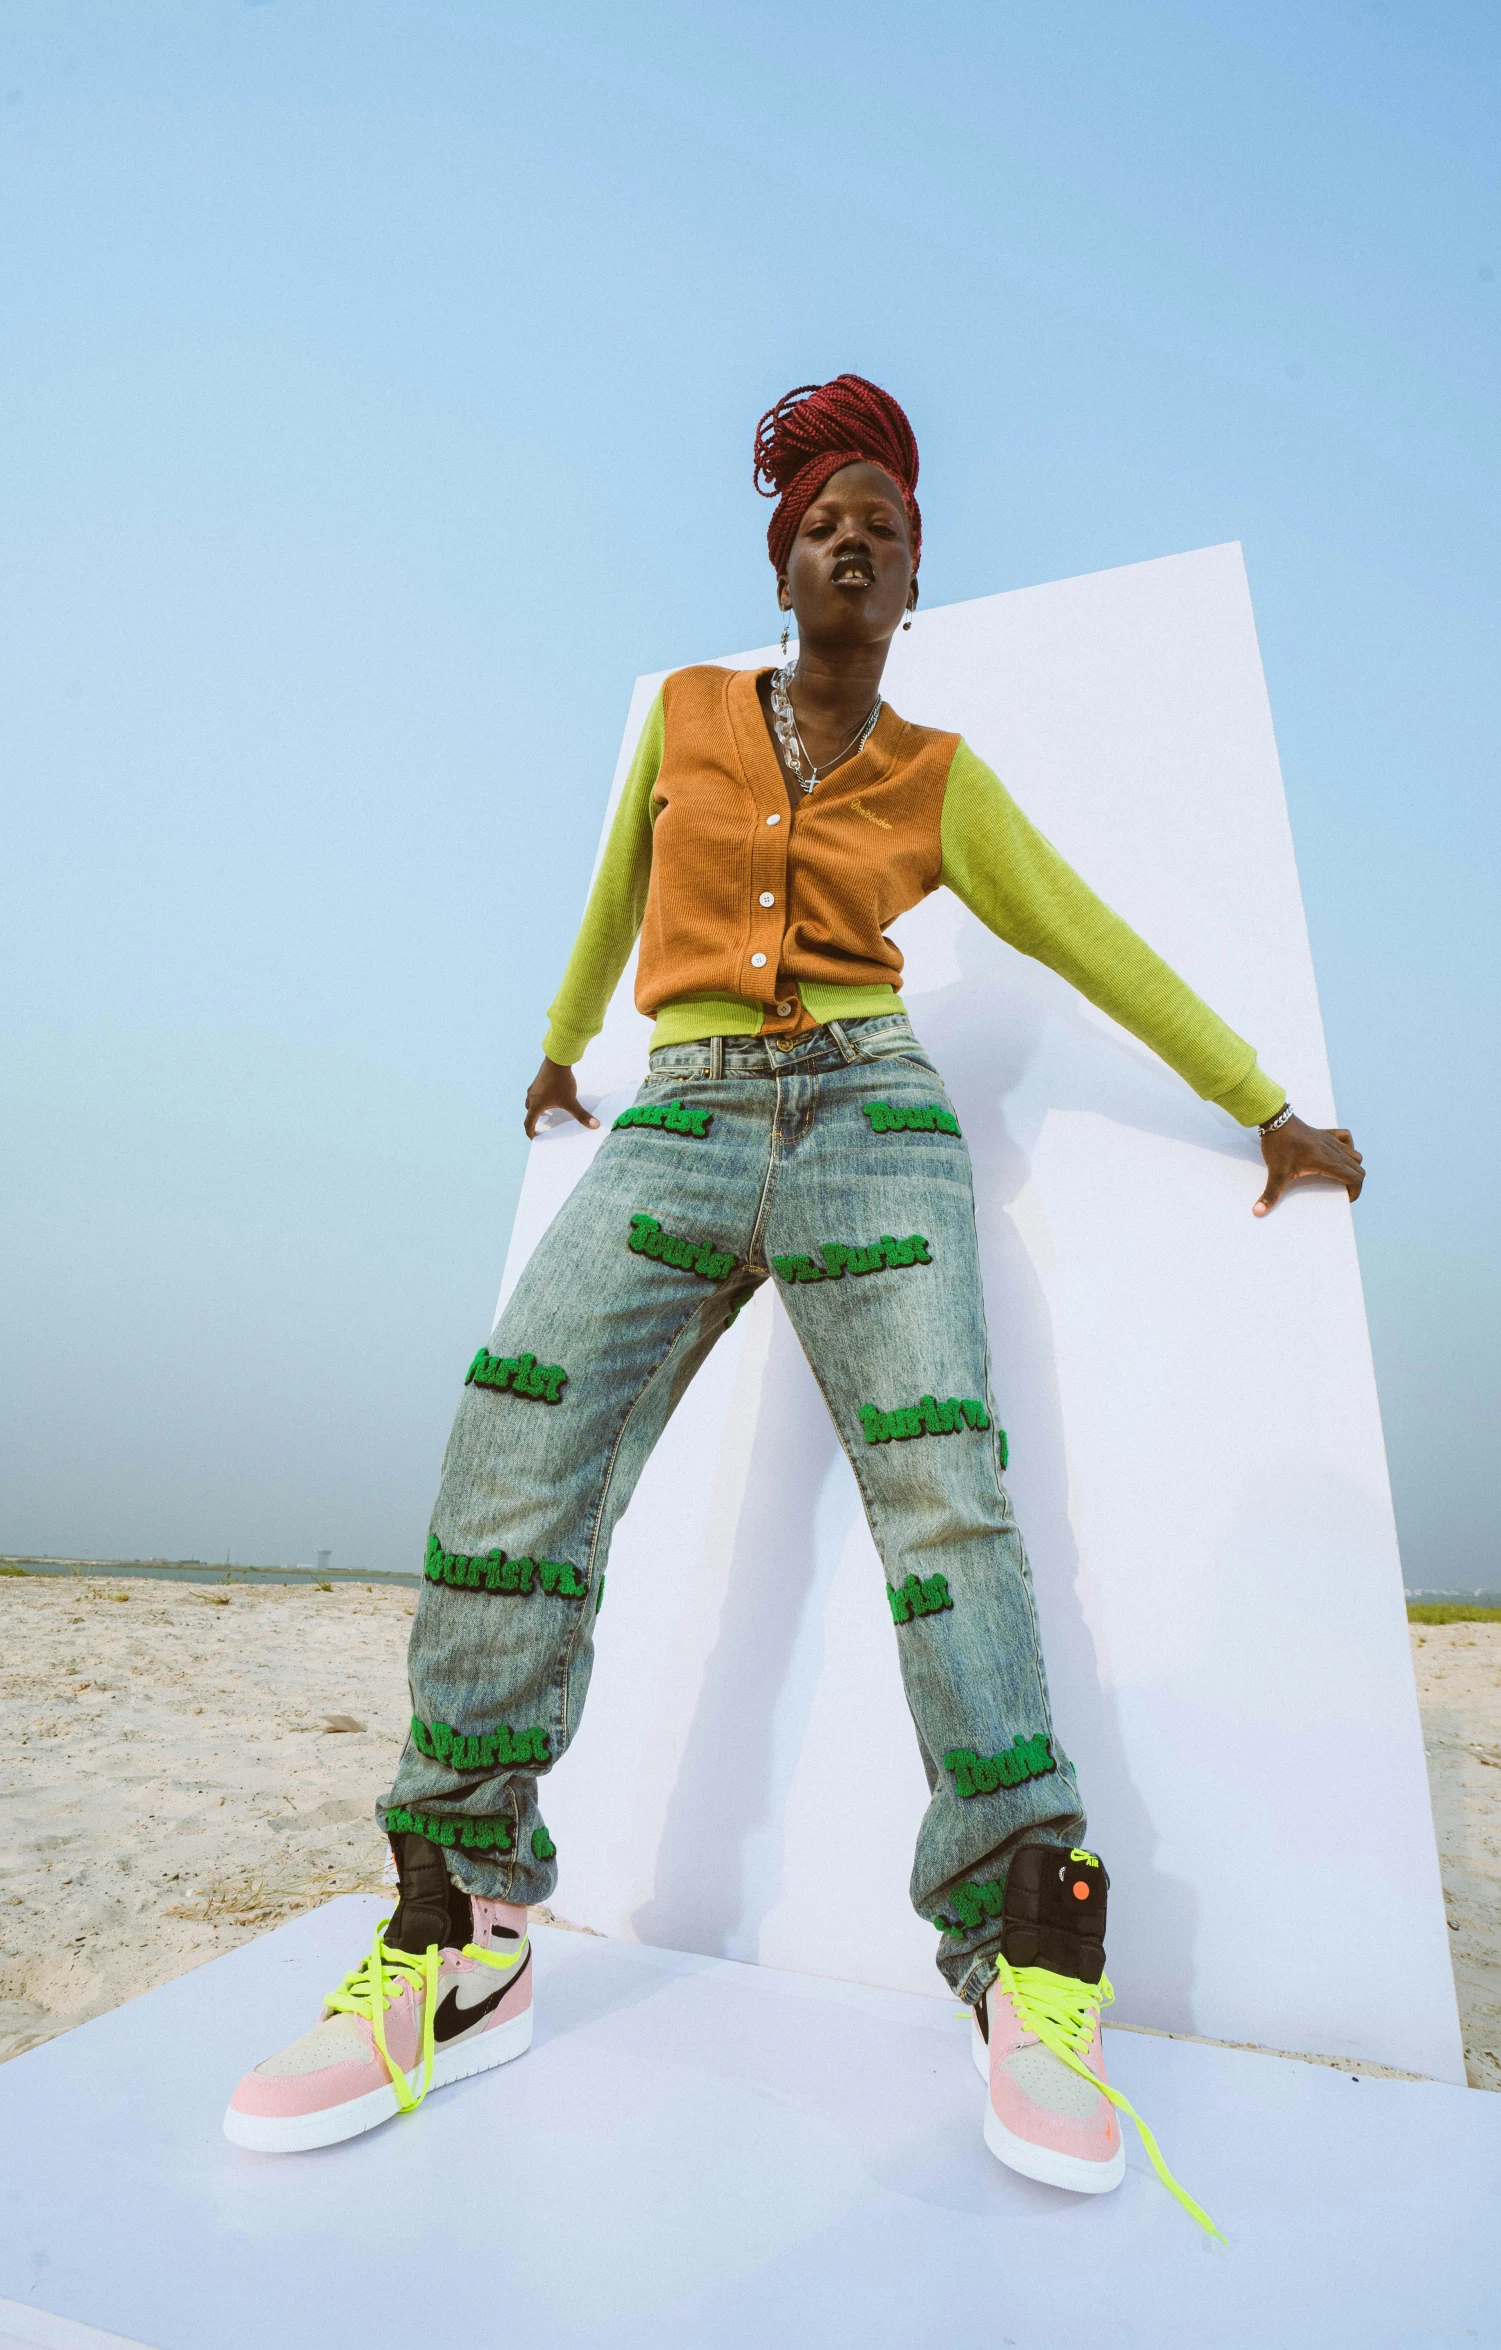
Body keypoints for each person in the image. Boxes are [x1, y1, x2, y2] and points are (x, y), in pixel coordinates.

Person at [225, 378, 1363, 2215]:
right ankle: (461, 1925)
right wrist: (553, 1047)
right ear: (784, 557)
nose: (857, 537)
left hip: (869, 1116)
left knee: (943, 1497)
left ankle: (1030, 1959)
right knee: (511, 1450)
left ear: (914, 586)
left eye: (890, 527)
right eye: (830, 515)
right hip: (674, 1121)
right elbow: (613, 892)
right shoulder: (684, 716)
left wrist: (1267, 1104)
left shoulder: (939, 779)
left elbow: (1086, 934)